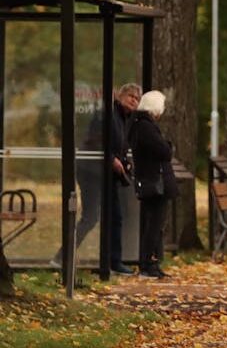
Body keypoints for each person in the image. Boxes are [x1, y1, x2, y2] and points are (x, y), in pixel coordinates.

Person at [52, 83, 141, 275]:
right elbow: (94, 142)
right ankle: (61, 257)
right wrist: (111, 159)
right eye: (130, 96)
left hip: (107, 175)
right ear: (120, 96)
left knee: (115, 216)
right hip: (91, 172)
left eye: (137, 98)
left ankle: (114, 261)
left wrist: (123, 162)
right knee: (91, 217)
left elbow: (118, 146)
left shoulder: (125, 119)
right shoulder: (106, 115)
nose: (134, 100)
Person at [127, 90, 177, 278]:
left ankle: (151, 262)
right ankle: (147, 264)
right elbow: (164, 150)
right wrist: (168, 145)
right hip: (154, 182)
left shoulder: (140, 125)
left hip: (150, 180)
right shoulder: (146, 126)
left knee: (154, 224)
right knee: (154, 224)